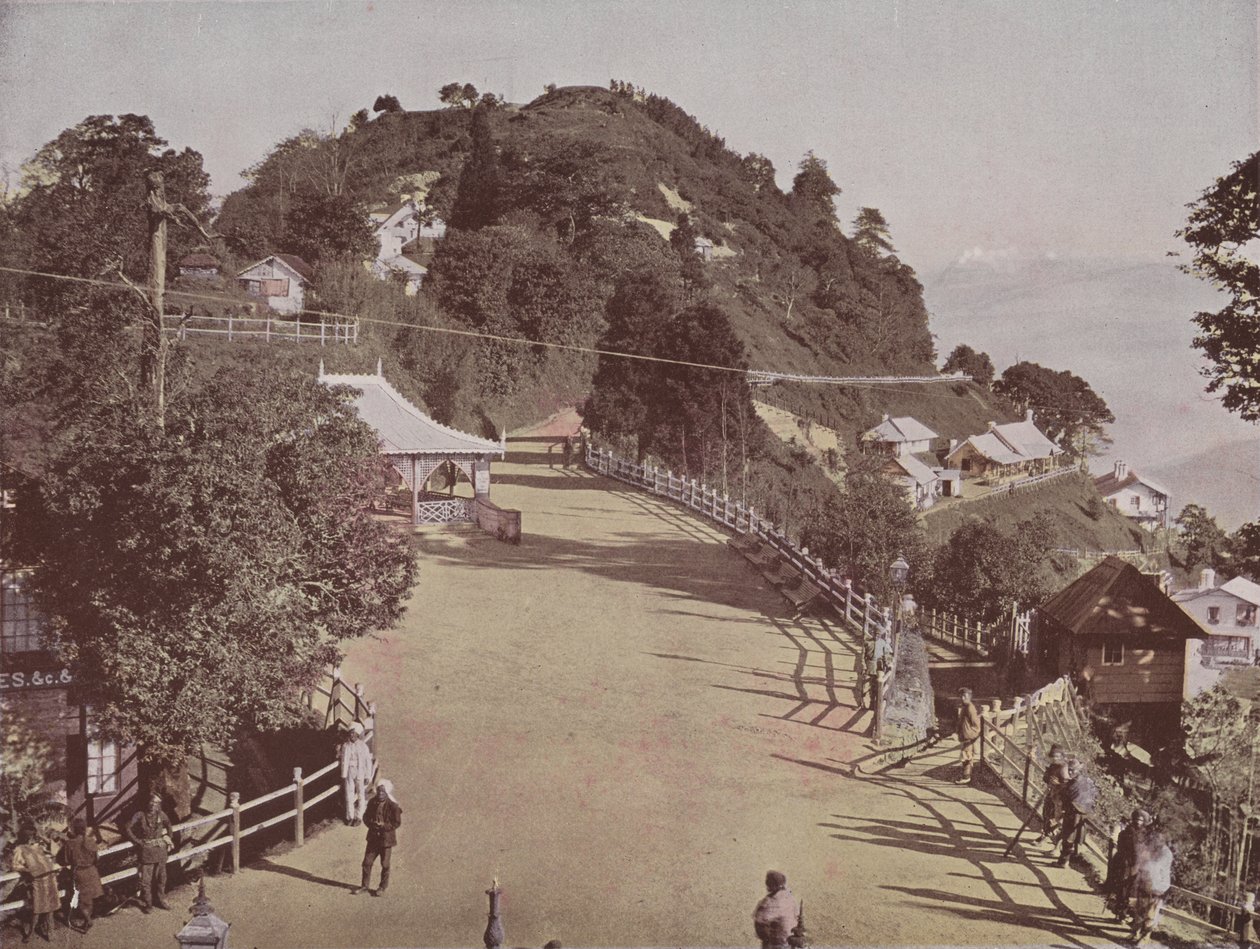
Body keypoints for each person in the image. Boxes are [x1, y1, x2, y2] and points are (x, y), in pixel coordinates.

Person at [127, 792, 174, 913]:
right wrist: (137, 841)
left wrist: (168, 837)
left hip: (160, 851)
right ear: (147, 802)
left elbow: (169, 825)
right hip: (147, 851)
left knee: (161, 878)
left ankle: (161, 900)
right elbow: (128, 827)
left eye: (157, 802)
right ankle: (148, 903)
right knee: (146, 881)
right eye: (152, 802)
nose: (154, 805)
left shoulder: (161, 815)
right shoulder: (140, 815)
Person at [354, 779, 402, 897]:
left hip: (386, 840)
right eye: (379, 792)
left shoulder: (393, 806)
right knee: (367, 862)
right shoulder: (372, 803)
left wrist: (384, 826)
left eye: (383, 792)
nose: (380, 794)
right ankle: (364, 886)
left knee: (385, 864)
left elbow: (396, 822)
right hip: (373, 838)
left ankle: (382, 887)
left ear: (386, 793)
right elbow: (365, 817)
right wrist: (372, 824)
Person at [11, 823, 58, 942]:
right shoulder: (19, 849)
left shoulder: (38, 846)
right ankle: (31, 932)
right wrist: (27, 870)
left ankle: (50, 931)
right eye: (29, 835)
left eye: (32, 835)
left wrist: (42, 837)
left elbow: (55, 850)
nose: (31, 837)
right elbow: (15, 865)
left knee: (51, 907)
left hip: (50, 878)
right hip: (37, 881)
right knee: (37, 908)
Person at [1129, 818, 1172, 945]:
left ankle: (1144, 938)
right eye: (1155, 837)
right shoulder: (1152, 848)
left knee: (1150, 915)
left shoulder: (1166, 853)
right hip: (1144, 883)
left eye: (1159, 838)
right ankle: (1135, 933)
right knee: (1139, 911)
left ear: (1163, 839)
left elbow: (1155, 867)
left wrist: (1145, 861)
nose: (1155, 839)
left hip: (1157, 886)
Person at [1102, 809, 1147, 922]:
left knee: (1131, 891)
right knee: (1122, 890)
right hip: (1125, 865)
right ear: (1132, 820)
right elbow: (1121, 850)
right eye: (1136, 819)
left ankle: (1125, 913)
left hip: (1136, 866)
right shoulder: (1125, 833)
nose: (1138, 822)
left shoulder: (1144, 836)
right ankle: (1120, 914)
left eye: (1140, 820)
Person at [64, 818, 105, 932]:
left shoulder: (69, 843)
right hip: (92, 871)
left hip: (80, 873)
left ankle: (88, 920)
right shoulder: (91, 841)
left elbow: (67, 861)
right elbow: (97, 858)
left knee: (82, 901)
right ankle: (88, 920)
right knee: (89, 899)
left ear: (73, 829)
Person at [1055, 758, 1098, 867]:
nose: (1070, 772)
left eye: (1072, 770)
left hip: (1075, 813)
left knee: (1069, 836)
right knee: (1072, 836)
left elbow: (1066, 796)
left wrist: (1061, 788)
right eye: (1069, 770)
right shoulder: (1086, 781)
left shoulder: (1076, 783)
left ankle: (1064, 861)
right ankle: (1068, 858)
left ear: (1078, 770)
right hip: (1081, 812)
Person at [752, 870, 800, 949]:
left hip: (776, 945)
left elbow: (759, 924)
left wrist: (767, 940)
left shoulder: (769, 901)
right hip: (791, 945)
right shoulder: (791, 899)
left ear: (770, 884)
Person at [339, 722, 374, 826]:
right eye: (350, 733)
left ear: (358, 734)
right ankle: (349, 816)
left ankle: (359, 817)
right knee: (349, 794)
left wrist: (368, 775)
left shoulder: (363, 746)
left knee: (360, 795)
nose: (352, 735)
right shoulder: (345, 746)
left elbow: (368, 761)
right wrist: (343, 774)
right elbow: (343, 760)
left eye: (354, 733)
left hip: (360, 772)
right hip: (349, 771)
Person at [1033, 745, 1069, 843]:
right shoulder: (1053, 766)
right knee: (1046, 815)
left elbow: (1069, 785)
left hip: (1060, 798)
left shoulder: (1064, 768)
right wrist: (1048, 777)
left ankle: (1054, 840)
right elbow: (1046, 779)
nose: (1055, 759)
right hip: (1051, 794)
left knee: (1055, 819)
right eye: (1053, 757)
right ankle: (1044, 834)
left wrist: (1059, 784)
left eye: (1057, 757)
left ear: (1061, 756)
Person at [956, 688, 982, 784]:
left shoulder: (970, 708)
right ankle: (967, 775)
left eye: (965, 696)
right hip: (965, 735)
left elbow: (976, 724)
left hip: (968, 736)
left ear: (969, 697)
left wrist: (971, 735)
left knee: (966, 755)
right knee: (966, 755)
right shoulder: (964, 707)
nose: (962, 698)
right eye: (961, 696)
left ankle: (966, 777)